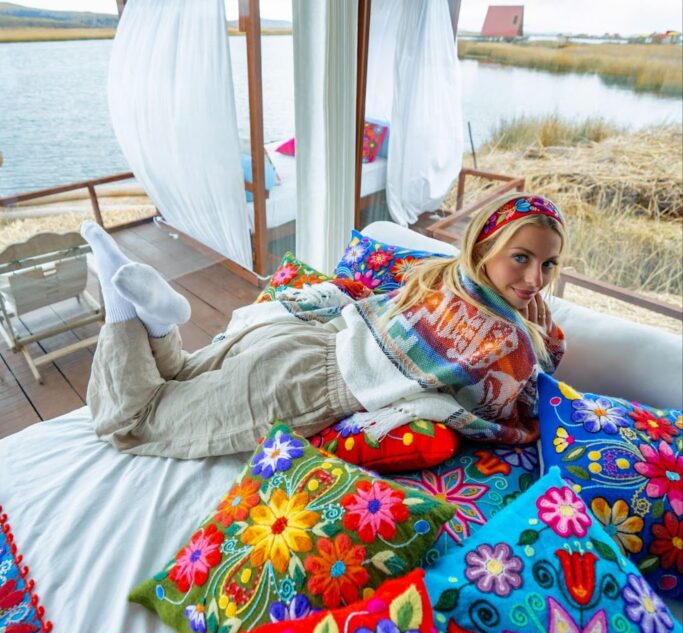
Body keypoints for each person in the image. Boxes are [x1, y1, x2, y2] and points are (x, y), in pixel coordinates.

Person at [82, 192, 566, 459]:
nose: (534, 279)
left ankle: (157, 324)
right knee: (134, 423)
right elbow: (512, 416)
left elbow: (373, 297)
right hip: (304, 384)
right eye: (520, 258)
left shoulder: (440, 275)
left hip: (300, 334)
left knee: (181, 376)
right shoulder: (512, 338)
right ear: (483, 249)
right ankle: (121, 306)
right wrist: (544, 345)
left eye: (548, 266)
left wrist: (533, 331)